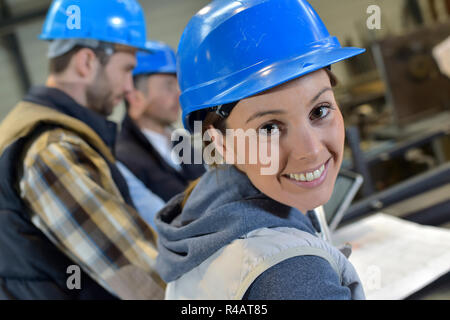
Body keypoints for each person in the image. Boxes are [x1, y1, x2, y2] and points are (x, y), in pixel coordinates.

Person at [155, 0, 367, 300]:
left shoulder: (203, 215)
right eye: (269, 128)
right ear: (221, 143)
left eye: (319, 111)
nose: (310, 150)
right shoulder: (293, 276)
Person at [0, 0, 164, 300]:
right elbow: (144, 280)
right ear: (87, 61)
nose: (130, 87)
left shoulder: (38, 131)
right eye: (127, 70)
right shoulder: (53, 151)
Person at [116, 41, 205, 202]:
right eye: (169, 86)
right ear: (135, 97)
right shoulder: (123, 159)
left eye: (178, 85)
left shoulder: (181, 141)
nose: (179, 94)